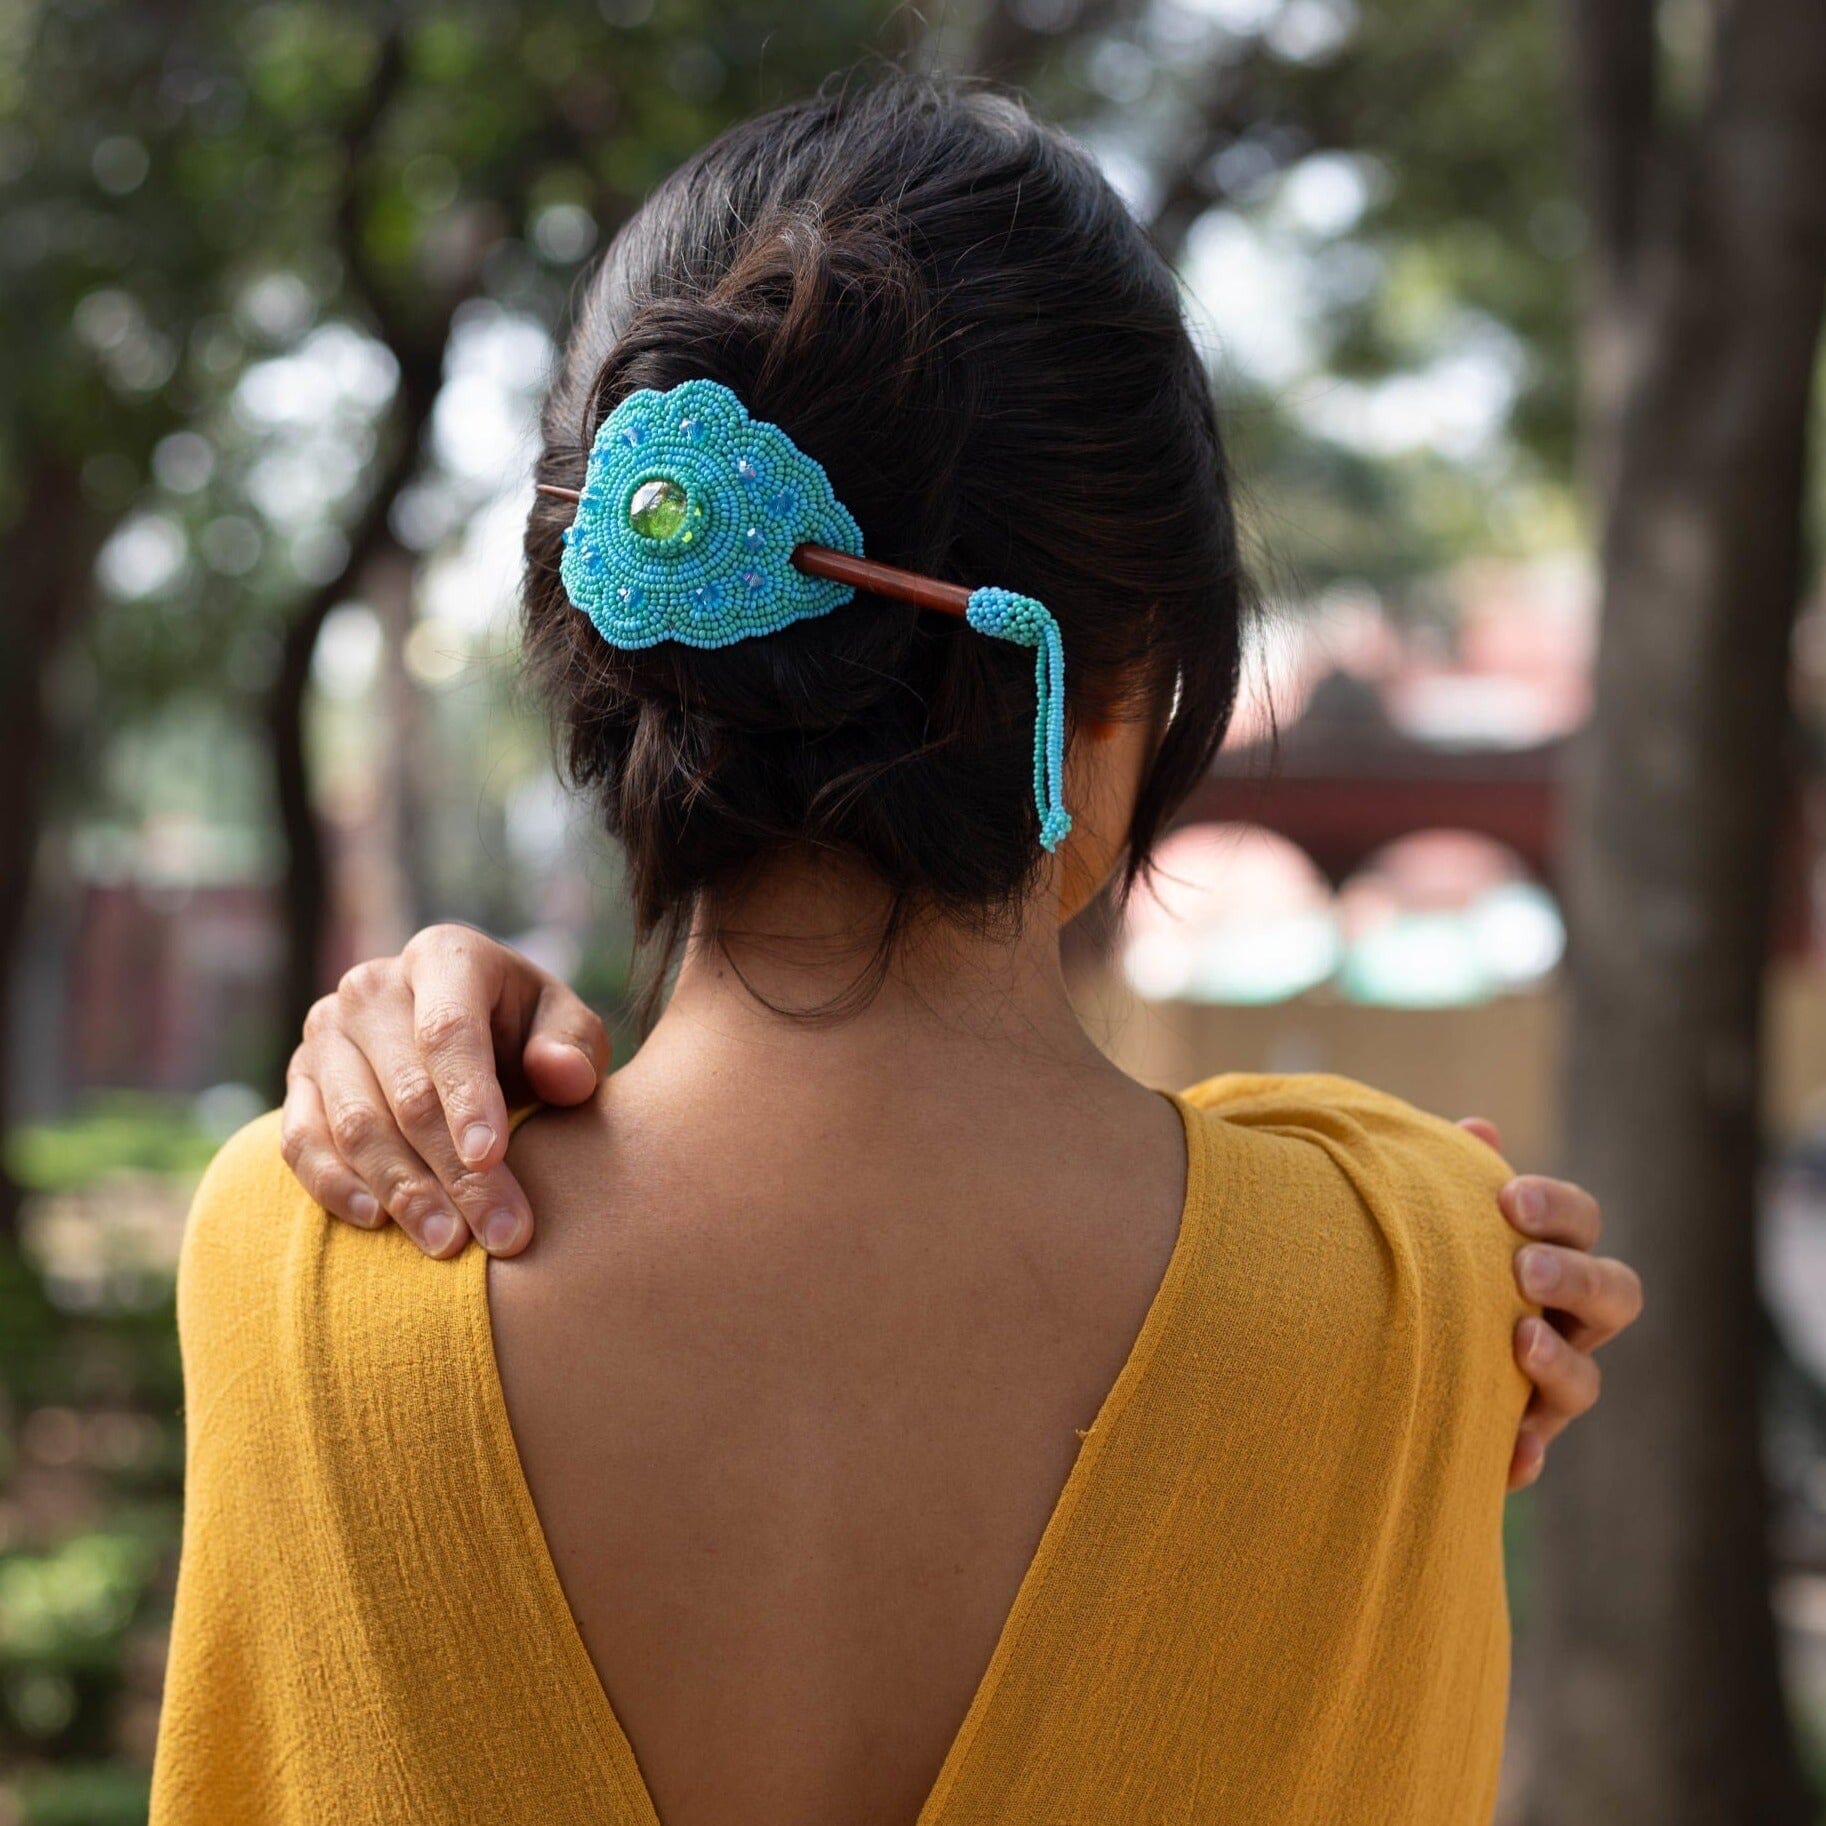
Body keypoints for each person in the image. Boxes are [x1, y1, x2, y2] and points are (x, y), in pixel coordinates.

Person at [152, 72, 1642, 1826]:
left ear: (608, 636)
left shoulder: (304, 1248)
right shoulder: (1416, 1272)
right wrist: (1442, 1299)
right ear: (1118, 695)